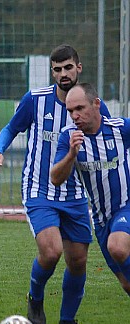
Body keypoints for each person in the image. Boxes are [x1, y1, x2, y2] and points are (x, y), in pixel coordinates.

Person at [0, 44, 111, 324]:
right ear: (52, 72)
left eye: (68, 67)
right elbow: (11, 128)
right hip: (39, 189)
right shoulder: (36, 99)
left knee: (78, 260)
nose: (62, 74)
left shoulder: (94, 105)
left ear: (78, 68)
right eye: (57, 69)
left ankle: (67, 321)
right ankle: (35, 297)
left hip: (76, 195)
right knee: (50, 251)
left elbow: (111, 138)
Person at [51, 83, 130, 296]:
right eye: (70, 111)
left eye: (79, 109)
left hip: (126, 206)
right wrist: (71, 154)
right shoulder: (68, 138)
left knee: (118, 246)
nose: (74, 116)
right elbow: (55, 178)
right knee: (126, 283)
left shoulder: (121, 129)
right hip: (102, 220)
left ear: (96, 104)